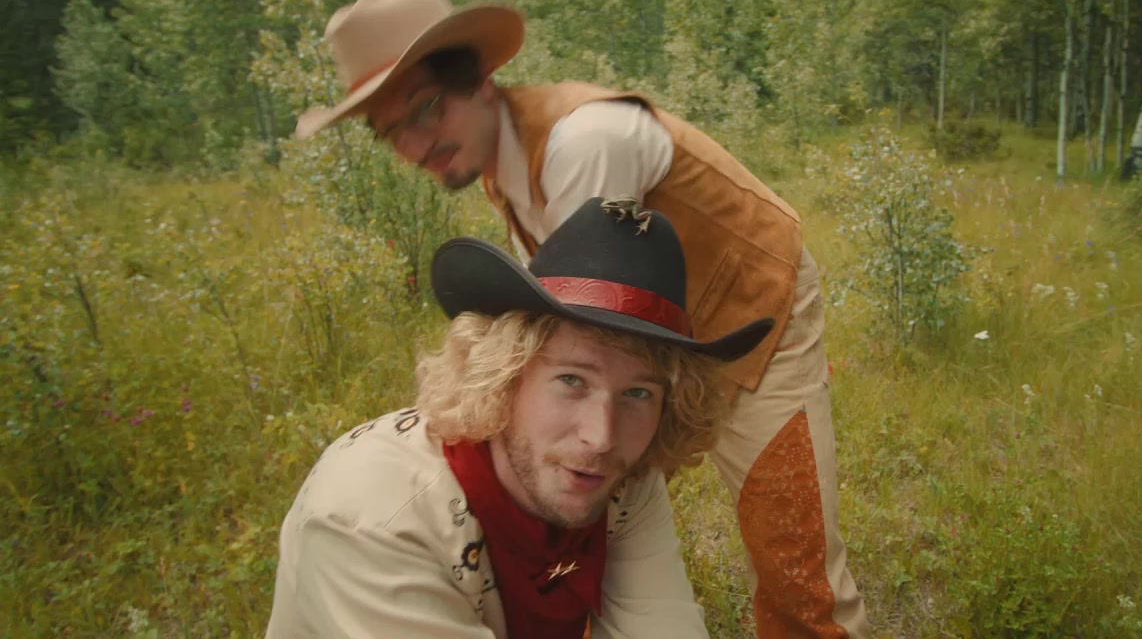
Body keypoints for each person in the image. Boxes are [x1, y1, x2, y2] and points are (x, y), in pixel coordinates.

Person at [296, 0, 871, 638]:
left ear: (481, 80)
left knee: (792, 560)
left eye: (426, 109)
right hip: (640, 360)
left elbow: (585, 329)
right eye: (390, 131)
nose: (414, 146)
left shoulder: (584, 142)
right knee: (592, 489)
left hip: (751, 315)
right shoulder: (502, 164)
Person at [265, 196, 774, 638]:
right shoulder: (374, 523)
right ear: (503, 373)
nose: (601, 437)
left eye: (638, 393)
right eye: (572, 380)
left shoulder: (619, 476)